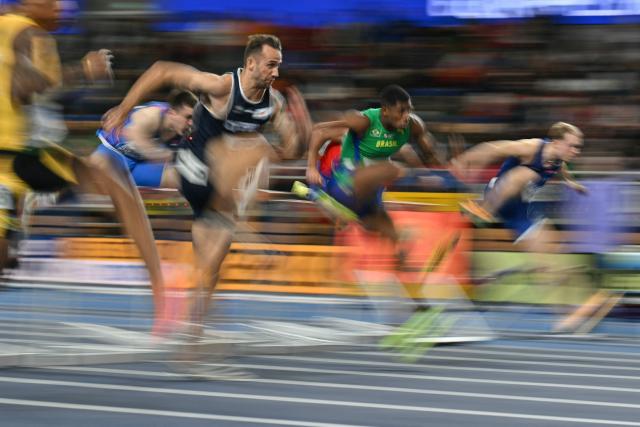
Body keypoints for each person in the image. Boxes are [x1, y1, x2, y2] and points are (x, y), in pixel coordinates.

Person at [103, 34, 312, 339]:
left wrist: (304, 132)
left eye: (279, 66)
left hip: (218, 186)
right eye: (270, 65)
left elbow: (292, 152)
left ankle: (192, 333)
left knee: (211, 265)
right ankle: (238, 223)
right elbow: (162, 70)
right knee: (257, 147)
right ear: (251, 63)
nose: (276, 73)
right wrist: (123, 109)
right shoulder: (222, 87)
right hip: (194, 166)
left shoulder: (273, 104)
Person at [0, 0, 167, 318]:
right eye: (51, 1)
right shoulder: (31, 34)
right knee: (115, 176)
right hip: (17, 158)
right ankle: (160, 287)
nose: (62, 7)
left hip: (16, 162)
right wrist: (83, 70)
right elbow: (22, 87)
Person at [304, 85, 442, 263]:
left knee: (394, 236)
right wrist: (311, 168)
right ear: (385, 110)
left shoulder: (414, 125)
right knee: (391, 169)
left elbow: (431, 156)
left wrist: (440, 168)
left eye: (409, 110)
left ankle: (404, 271)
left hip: (370, 194)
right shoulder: (363, 121)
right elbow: (319, 131)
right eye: (401, 111)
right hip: (346, 181)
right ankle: (332, 203)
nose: (406, 116)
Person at [452, 121, 587, 252]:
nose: (576, 151)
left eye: (577, 147)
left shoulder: (558, 159)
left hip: (519, 206)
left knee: (546, 244)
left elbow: (562, 169)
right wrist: (464, 159)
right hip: (497, 193)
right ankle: (482, 210)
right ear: (556, 143)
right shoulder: (532, 148)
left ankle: (547, 270)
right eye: (571, 146)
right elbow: (493, 149)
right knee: (527, 173)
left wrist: (572, 183)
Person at [91, 89, 197, 189]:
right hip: (114, 154)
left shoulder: (188, 129)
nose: (191, 123)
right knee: (92, 179)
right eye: (188, 117)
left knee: (183, 178)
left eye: (193, 118)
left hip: (139, 163)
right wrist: (169, 155)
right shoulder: (150, 115)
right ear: (172, 113)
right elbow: (132, 136)